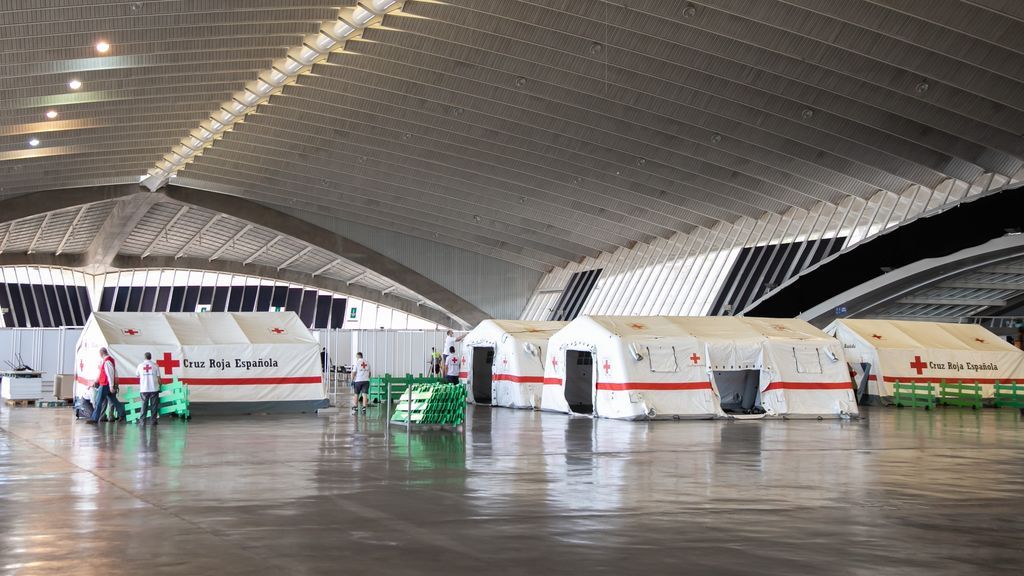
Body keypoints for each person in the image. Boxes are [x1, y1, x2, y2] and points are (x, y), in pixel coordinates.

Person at [87, 347, 124, 424]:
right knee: (114, 401)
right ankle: (122, 414)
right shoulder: (110, 360)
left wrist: (111, 386)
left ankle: (95, 418)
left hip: (105, 385)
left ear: (101, 353)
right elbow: (112, 373)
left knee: (98, 401)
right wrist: (96, 381)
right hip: (107, 385)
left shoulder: (107, 362)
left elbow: (110, 374)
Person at [136, 352, 162, 425]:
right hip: (154, 388)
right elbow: (159, 378)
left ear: (144, 357)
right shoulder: (155, 365)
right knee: (154, 406)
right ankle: (153, 421)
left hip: (144, 389)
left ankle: (142, 421)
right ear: (151, 357)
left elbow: (137, 375)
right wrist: (160, 385)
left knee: (144, 405)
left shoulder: (140, 366)